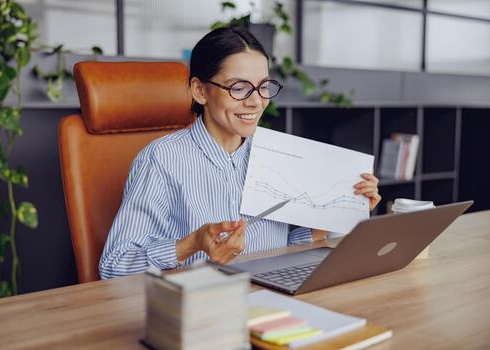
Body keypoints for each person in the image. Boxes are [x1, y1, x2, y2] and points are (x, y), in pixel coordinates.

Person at [99, 27, 381, 279]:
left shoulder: (277, 153)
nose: (256, 102)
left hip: (272, 297)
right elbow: (113, 266)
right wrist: (193, 243)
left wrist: (342, 209)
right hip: (204, 306)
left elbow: (278, 250)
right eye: (239, 88)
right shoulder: (161, 160)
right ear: (199, 91)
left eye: (263, 87)